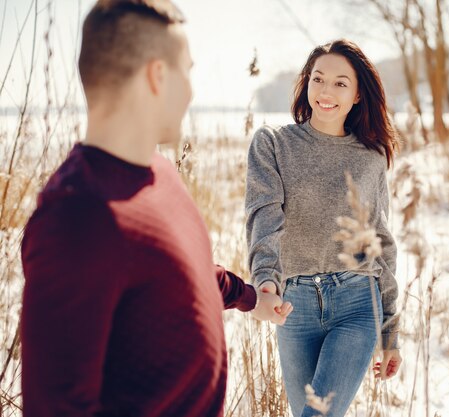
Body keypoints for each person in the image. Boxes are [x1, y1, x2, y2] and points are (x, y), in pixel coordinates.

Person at [19, 1, 291, 416]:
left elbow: (181, 271)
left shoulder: (159, 173)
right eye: (187, 70)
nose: (192, 90)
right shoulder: (76, 217)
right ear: (157, 76)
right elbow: (56, 406)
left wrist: (251, 298)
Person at [245, 39, 402, 417]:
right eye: (318, 79)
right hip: (293, 305)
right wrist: (265, 281)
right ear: (307, 83)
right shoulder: (273, 144)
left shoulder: (371, 156)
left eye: (340, 83)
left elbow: (380, 241)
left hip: (357, 302)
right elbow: (264, 217)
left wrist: (390, 331)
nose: (326, 92)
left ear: (358, 95)